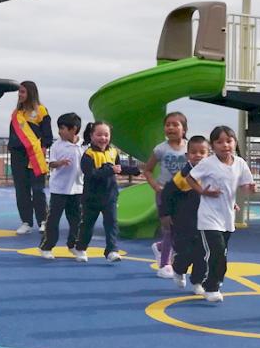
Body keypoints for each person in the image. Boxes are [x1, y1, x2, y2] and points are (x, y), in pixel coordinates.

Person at [185, 126, 255, 302]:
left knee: (221, 254)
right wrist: (203, 191)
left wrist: (250, 189)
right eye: (220, 142)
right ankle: (211, 287)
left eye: (229, 141)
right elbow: (190, 178)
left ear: (235, 143)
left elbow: (246, 187)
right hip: (209, 217)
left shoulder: (240, 163)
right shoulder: (208, 163)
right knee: (215, 252)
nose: (225, 145)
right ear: (213, 145)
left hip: (227, 218)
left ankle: (206, 279)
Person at [75, 121, 141, 262]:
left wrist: (135, 170)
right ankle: (81, 248)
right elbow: (91, 174)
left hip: (109, 196)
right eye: (99, 134)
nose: (103, 138)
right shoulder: (88, 155)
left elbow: (119, 168)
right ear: (92, 136)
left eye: (106, 135)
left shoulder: (113, 152)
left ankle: (112, 250)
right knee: (87, 224)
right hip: (91, 198)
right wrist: (109, 170)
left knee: (111, 224)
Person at [160, 135, 209, 294]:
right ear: (187, 155)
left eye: (202, 152)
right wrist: (165, 214)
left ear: (208, 154)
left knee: (203, 253)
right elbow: (167, 194)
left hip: (205, 221)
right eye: (194, 152)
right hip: (183, 221)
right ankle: (178, 269)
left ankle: (197, 282)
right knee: (185, 252)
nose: (198, 155)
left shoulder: (210, 174)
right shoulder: (182, 176)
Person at [143, 112, 188, 278]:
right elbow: (147, 170)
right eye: (168, 124)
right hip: (165, 192)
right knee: (168, 228)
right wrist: (155, 185)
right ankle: (164, 264)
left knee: (181, 229)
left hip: (184, 194)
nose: (170, 127)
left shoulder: (189, 148)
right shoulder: (161, 149)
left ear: (184, 129)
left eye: (175, 124)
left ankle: (161, 247)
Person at [8, 80, 53, 234]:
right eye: (19, 92)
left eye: (23, 92)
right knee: (21, 190)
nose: (20, 95)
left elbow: (48, 135)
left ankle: (43, 220)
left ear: (31, 93)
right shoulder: (16, 114)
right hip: (17, 156)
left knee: (38, 190)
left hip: (34, 156)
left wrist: (42, 150)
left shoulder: (41, 110)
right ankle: (26, 221)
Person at [39, 113, 84, 259]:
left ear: (74, 129)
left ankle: (74, 245)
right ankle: (46, 246)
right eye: (59, 128)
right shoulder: (57, 145)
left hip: (78, 189)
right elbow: (51, 163)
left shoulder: (83, 145)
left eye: (63, 128)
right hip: (59, 189)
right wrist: (60, 163)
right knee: (53, 219)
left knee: (76, 219)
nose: (59, 131)